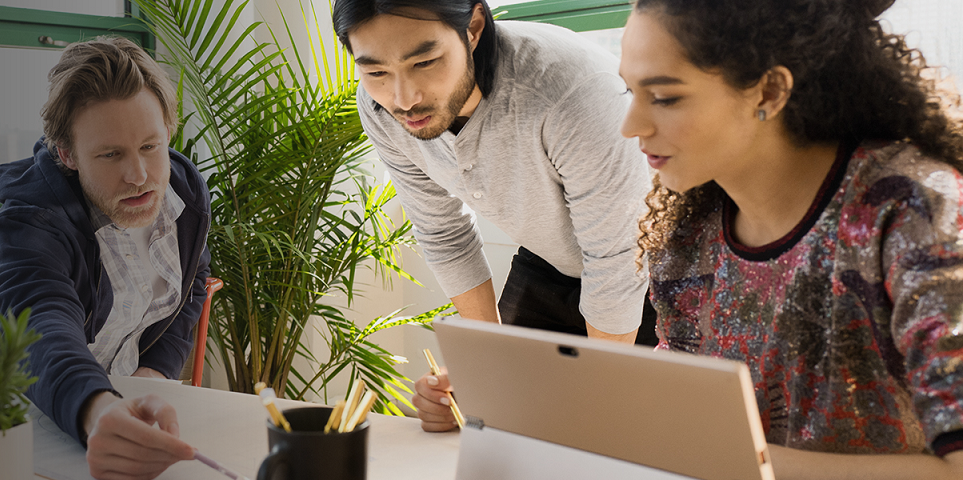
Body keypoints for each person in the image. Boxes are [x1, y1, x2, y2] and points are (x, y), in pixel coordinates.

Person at [620, 0, 963, 476]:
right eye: (630, 91)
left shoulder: (912, 209)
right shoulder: (685, 237)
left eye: (664, 97)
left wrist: (750, 465)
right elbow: (689, 417)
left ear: (769, 92)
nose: (630, 126)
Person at [333, 0, 655, 432]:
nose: (404, 99)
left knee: (626, 432)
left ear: (473, 26)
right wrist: (480, 383)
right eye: (375, 71)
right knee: (507, 419)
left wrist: (595, 404)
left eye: (424, 62)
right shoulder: (381, 108)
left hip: (662, 272)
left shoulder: (570, 91)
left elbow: (617, 262)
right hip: (552, 260)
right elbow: (443, 233)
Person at [0, 36, 211, 479]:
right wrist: (98, 408)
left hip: (124, 411)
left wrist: (153, 373)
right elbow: (39, 328)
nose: (139, 175)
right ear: (66, 154)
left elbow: (194, 281)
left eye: (150, 146)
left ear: (168, 131)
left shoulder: (185, 195)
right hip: (34, 428)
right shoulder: (30, 222)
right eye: (110, 154)